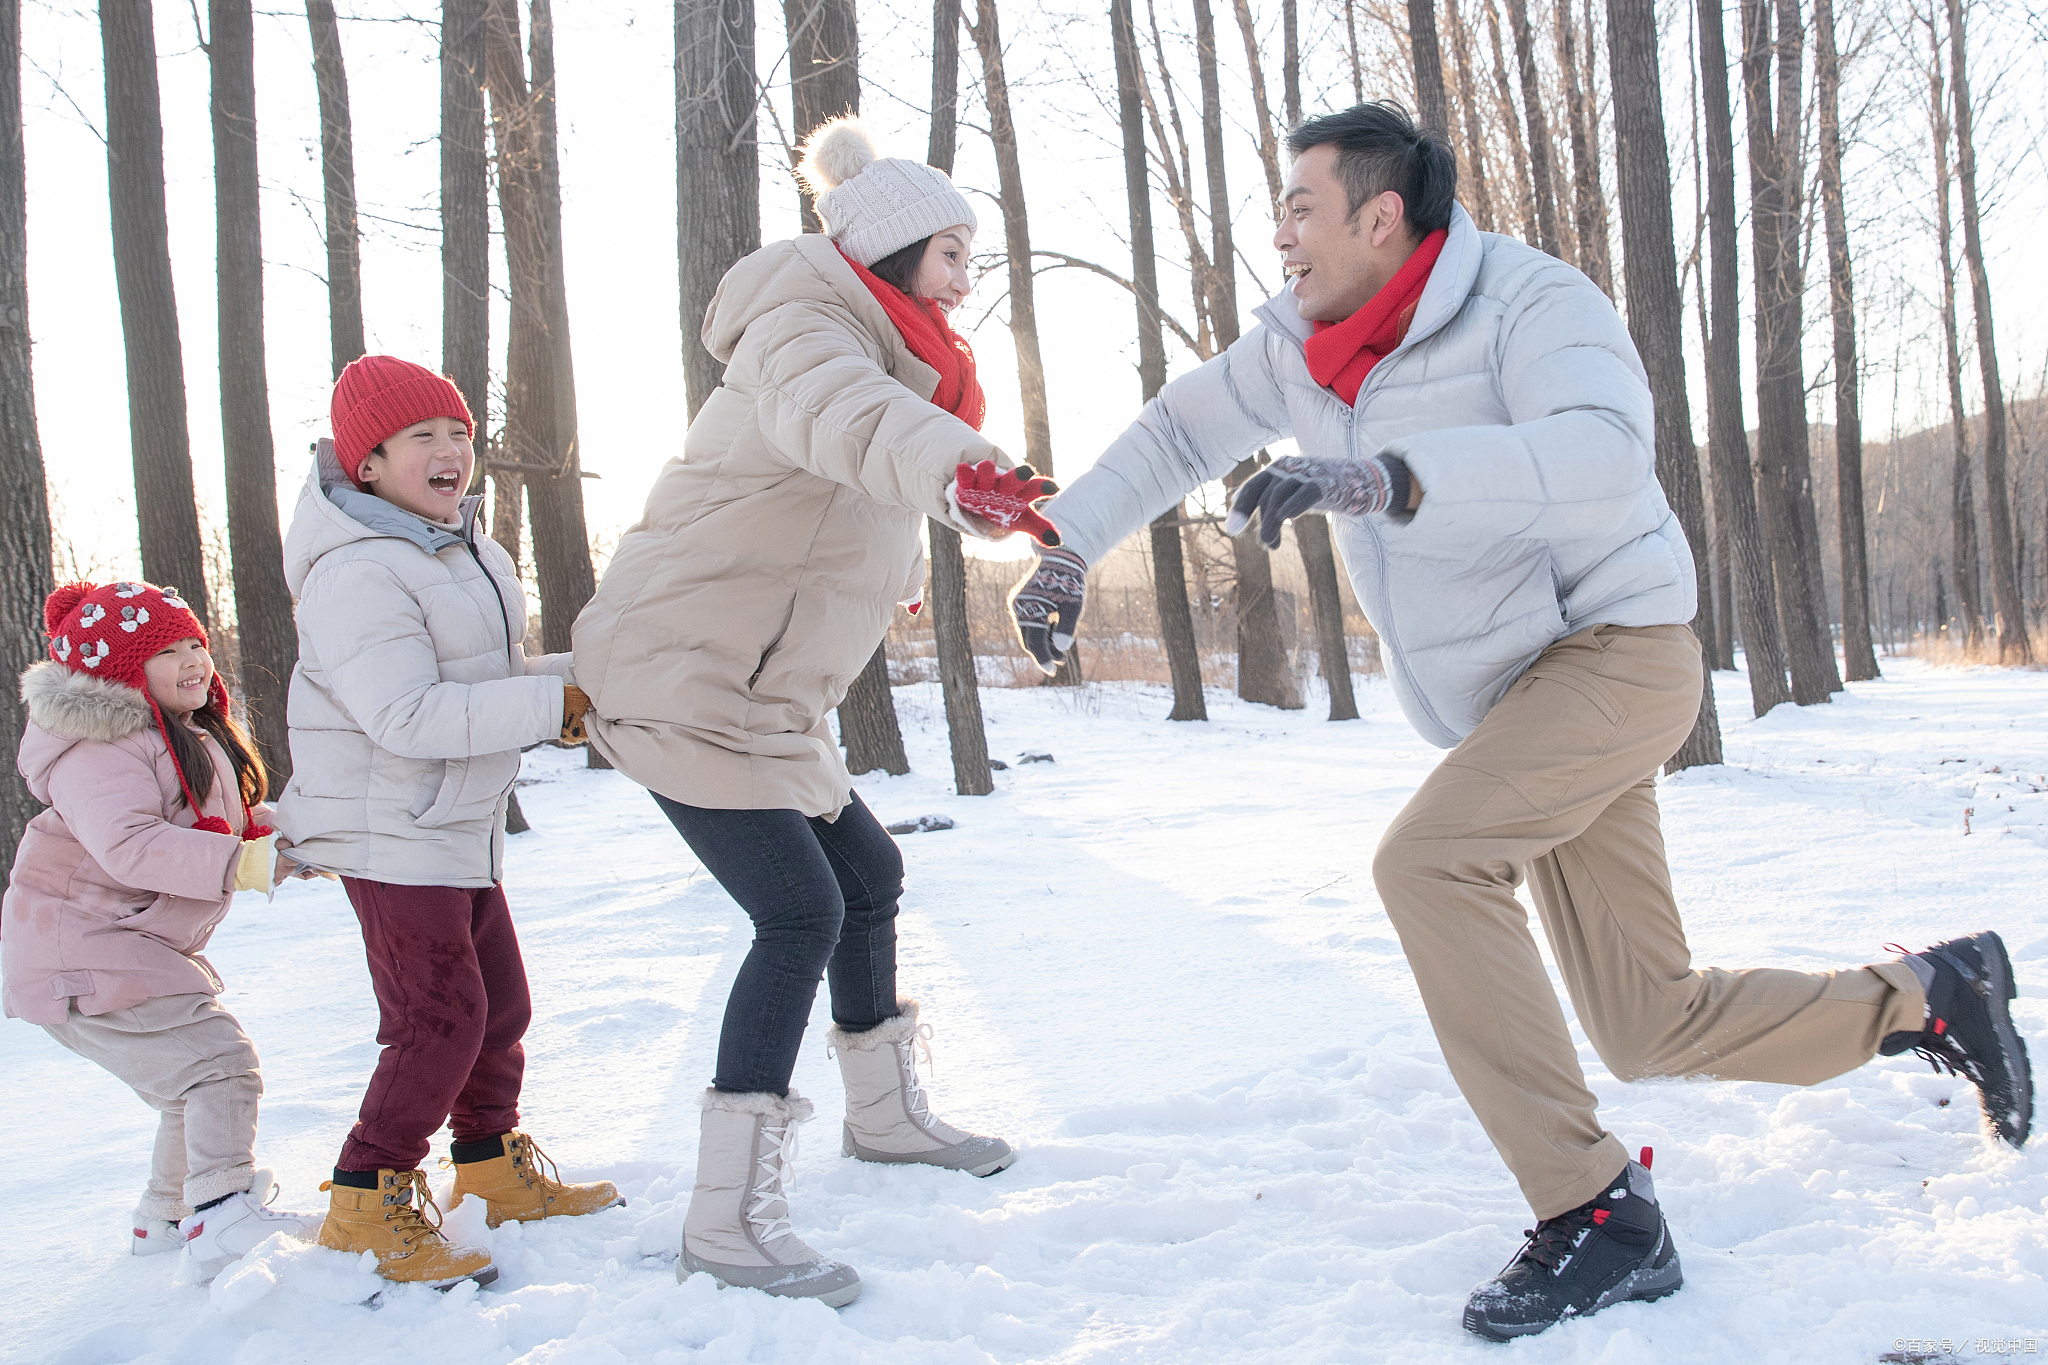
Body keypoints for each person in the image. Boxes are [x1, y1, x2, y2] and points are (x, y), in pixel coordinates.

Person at [1016, 101, 2033, 1341]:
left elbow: (1603, 449)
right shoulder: (1293, 346)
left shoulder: (1529, 301)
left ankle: (1595, 1212)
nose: (1278, 232)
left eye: (1299, 206)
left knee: (1429, 865)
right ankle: (1929, 995)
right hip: (1517, 698)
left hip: (1615, 648)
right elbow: (1177, 430)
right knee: (1644, 1017)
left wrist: (1388, 476)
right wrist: (1065, 540)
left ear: (1378, 216)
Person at [574, 117, 1055, 1308]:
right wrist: (962, 469)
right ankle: (726, 1221)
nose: (965, 277)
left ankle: (885, 1118)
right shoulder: (804, 332)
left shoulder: (896, 355)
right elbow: (848, 418)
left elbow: (865, 470)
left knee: (869, 879)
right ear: (889, 253)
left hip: (764, 695)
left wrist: (939, 519)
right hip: (680, 676)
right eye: (952, 252)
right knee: (798, 911)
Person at [277, 356, 622, 1290]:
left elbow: (489, 682)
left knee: (497, 1007)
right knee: (439, 1016)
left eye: (460, 435)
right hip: (386, 827)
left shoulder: (470, 551)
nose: (449, 452)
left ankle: (489, 1167)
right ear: (369, 462)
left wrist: (594, 680)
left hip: (452, 823)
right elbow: (408, 715)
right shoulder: (356, 571)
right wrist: (555, 706)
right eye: (422, 436)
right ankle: (364, 1195)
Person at [3, 580, 322, 1282]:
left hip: (113, 944)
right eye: (165, 650)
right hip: (80, 947)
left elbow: (215, 821)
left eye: (194, 646)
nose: (192, 661)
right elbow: (132, 844)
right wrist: (247, 862)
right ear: (119, 670)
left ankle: (168, 1216)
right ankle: (222, 1211)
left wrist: (290, 840)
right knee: (218, 1065)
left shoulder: (180, 732)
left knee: (190, 1082)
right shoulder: (101, 745)